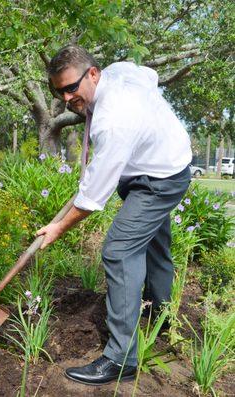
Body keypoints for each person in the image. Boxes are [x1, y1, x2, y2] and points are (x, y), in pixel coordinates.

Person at [37, 45, 192, 385]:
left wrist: (57, 228)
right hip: (153, 165)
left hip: (160, 179)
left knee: (119, 251)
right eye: (59, 90)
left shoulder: (113, 121)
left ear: (93, 74)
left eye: (70, 87)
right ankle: (161, 317)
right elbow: (147, 75)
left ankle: (121, 359)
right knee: (154, 245)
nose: (65, 98)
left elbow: (93, 198)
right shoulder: (120, 72)